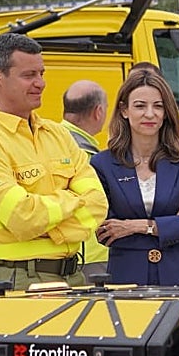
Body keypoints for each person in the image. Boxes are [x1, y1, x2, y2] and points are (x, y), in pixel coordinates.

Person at [0, 34, 106, 290]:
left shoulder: (58, 134)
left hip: (74, 277)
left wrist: (49, 222)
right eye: (29, 75)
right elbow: (23, 218)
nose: (41, 83)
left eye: (41, 73)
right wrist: (72, 202)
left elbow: (98, 204)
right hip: (18, 282)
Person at [91, 69, 179, 286]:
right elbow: (105, 231)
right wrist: (173, 222)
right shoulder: (103, 164)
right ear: (124, 110)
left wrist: (136, 226)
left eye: (158, 106)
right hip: (126, 278)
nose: (150, 114)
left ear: (166, 112)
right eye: (140, 106)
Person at [61, 80, 110, 279]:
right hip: (90, 257)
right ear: (98, 112)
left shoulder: (52, 141)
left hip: (64, 254)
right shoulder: (86, 155)